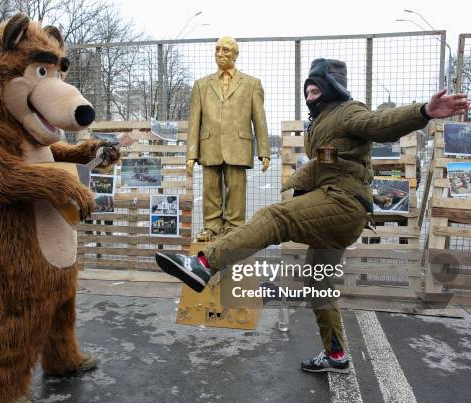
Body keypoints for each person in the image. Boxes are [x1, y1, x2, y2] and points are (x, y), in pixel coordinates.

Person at [157, 58, 469, 373]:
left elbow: (379, 124)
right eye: (307, 87)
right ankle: (336, 355)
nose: (309, 92)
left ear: (333, 86)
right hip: (338, 212)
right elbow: (330, 159)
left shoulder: (347, 111)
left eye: (316, 86)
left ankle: (204, 264)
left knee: (274, 218)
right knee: (319, 284)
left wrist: (423, 112)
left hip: (342, 203)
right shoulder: (321, 122)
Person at [187, 36, 270, 242]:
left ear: (235, 54)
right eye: (217, 50)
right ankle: (212, 228)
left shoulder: (252, 84)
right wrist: (190, 154)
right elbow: (194, 122)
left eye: (225, 50)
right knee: (210, 189)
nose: (220, 54)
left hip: (238, 145)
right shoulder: (201, 85)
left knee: (236, 189)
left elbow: (259, 120)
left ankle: (234, 229)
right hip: (209, 145)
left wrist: (264, 151)